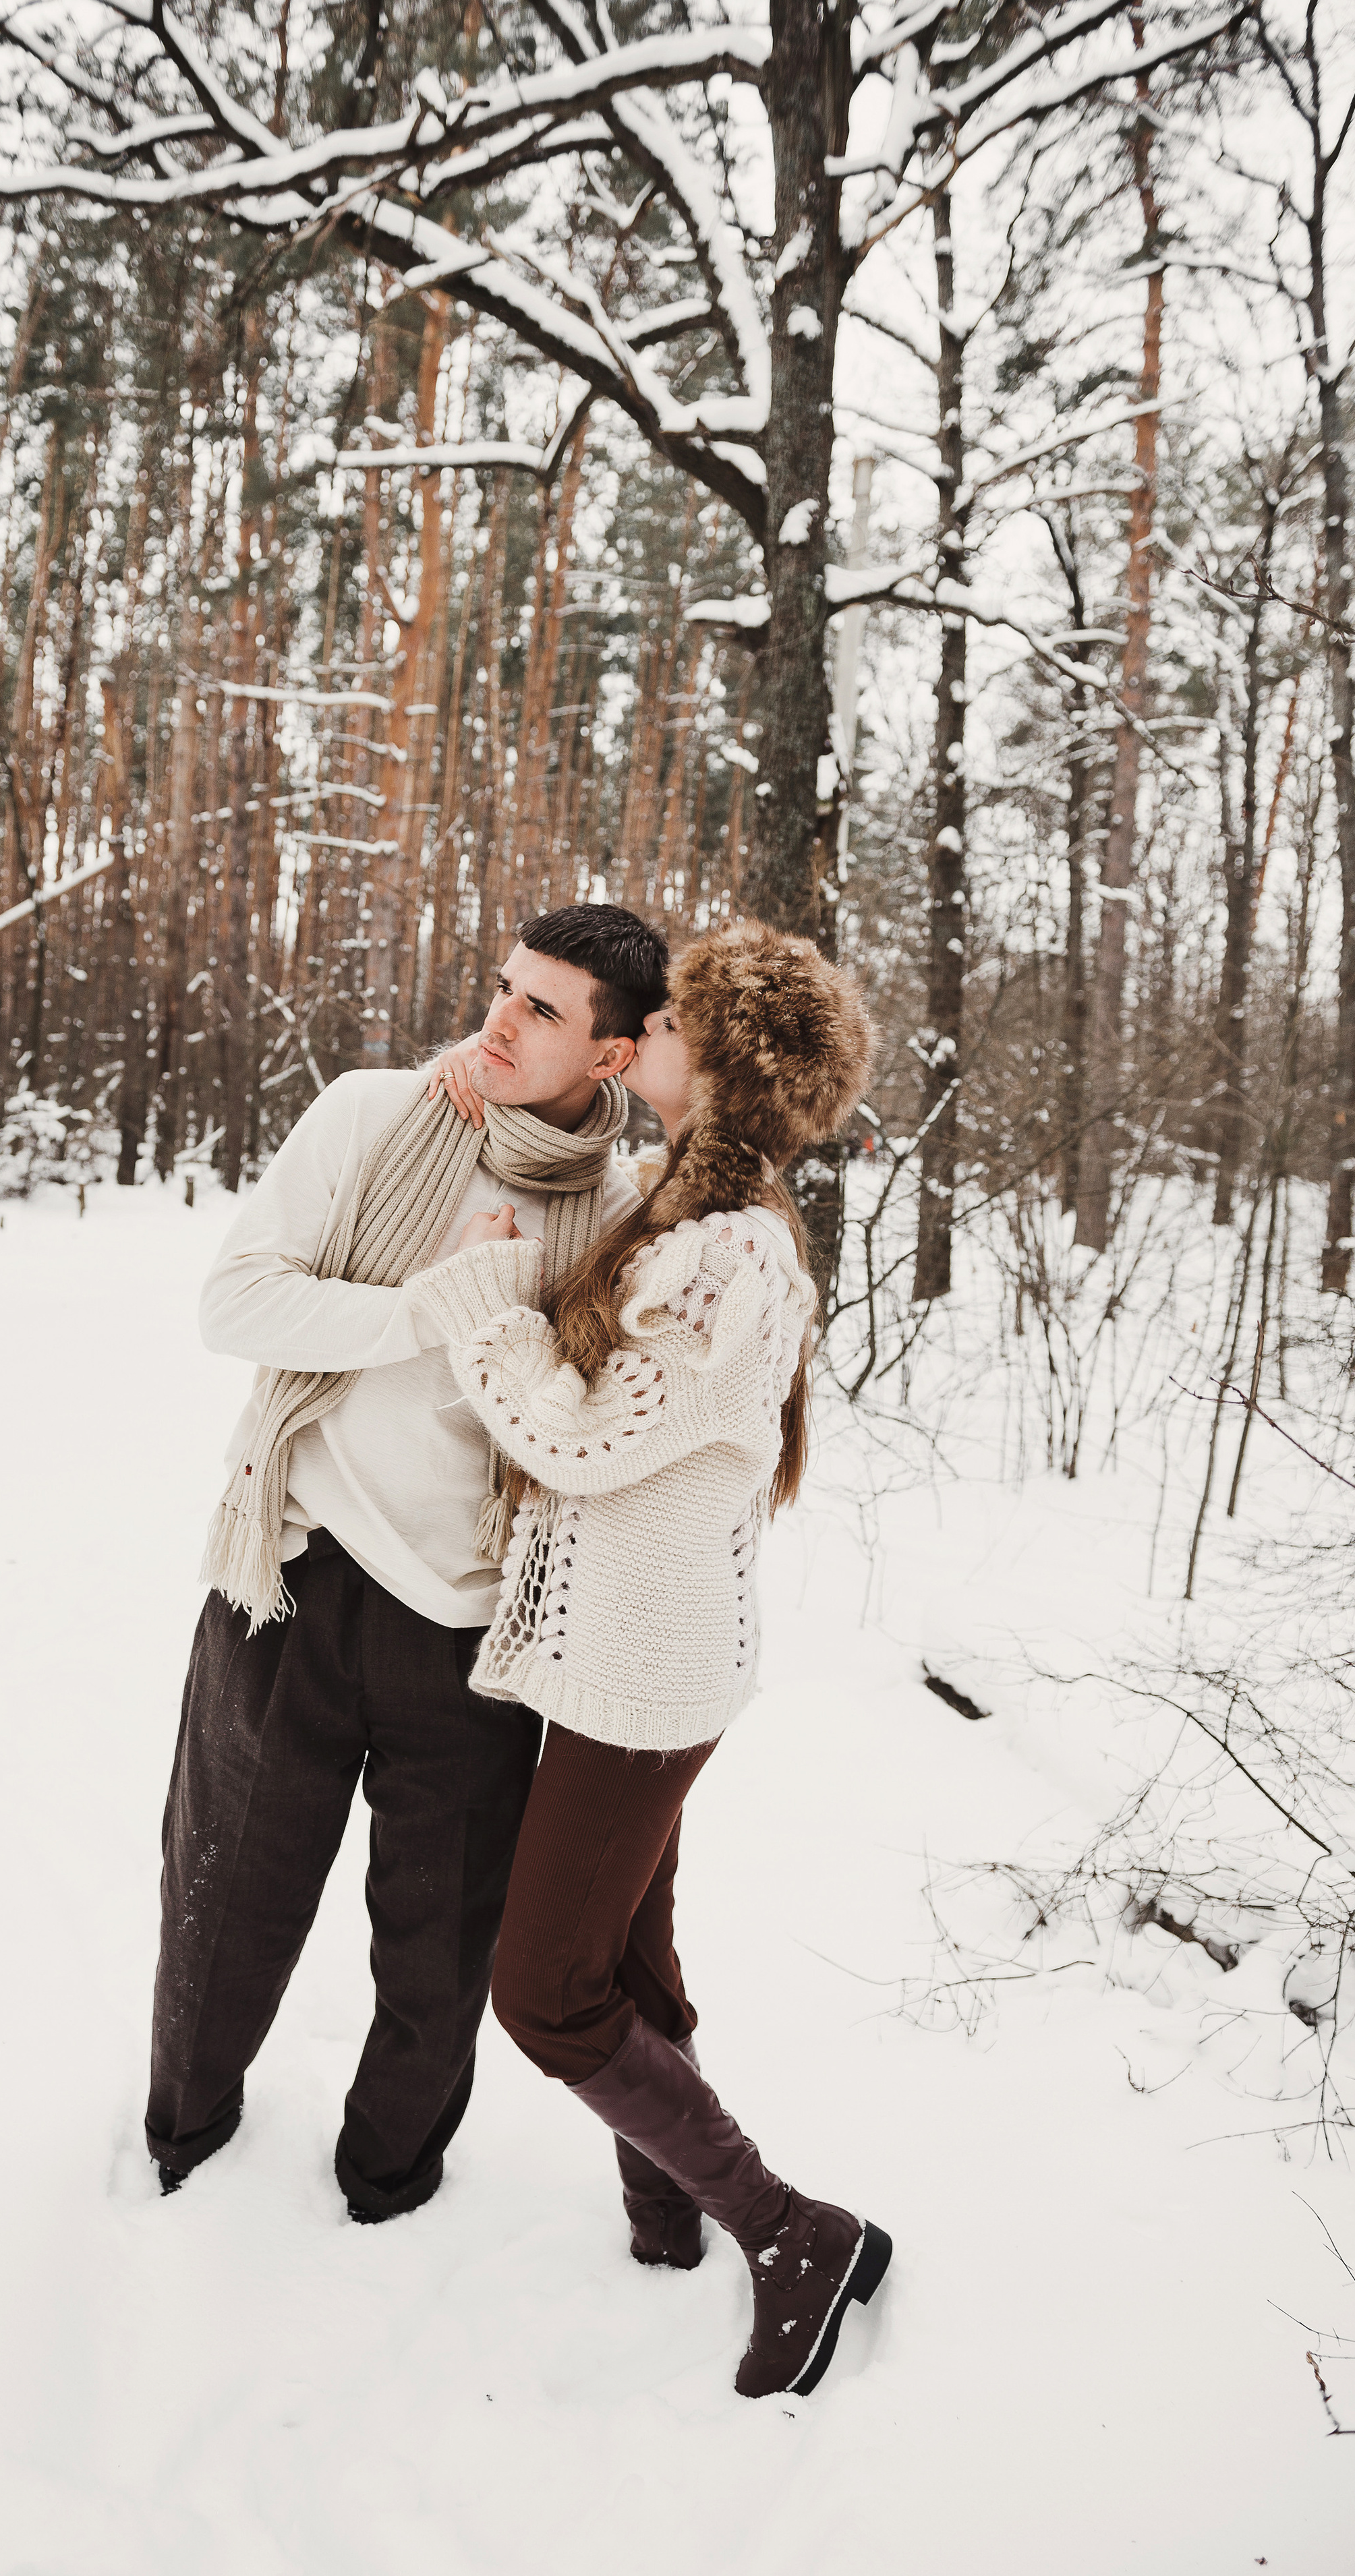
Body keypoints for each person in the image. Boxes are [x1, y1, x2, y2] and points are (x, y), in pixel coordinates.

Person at [406, 918, 890, 2399]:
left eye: (672, 1022)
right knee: (622, 1954)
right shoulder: (679, 1202)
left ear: (726, 1069)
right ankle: (663, 2206)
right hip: (617, 1657)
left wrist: (485, 1310)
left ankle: (791, 2231)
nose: (647, 1034)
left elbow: (576, 1439)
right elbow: (565, 1145)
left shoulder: (727, 1252)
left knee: (546, 1991)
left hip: (645, 1678)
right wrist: (475, 1078)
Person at [148, 904, 668, 2218]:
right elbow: (236, 1302)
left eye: (543, 1011)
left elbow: (591, 1426)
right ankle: (180, 2141)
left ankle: (388, 2187)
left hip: (478, 1631)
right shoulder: (376, 1117)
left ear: (610, 1060)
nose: (498, 1019)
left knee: (438, 1955)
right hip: (297, 1573)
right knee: (227, 1904)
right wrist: (429, 1305)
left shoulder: (618, 1217)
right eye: (505, 988)